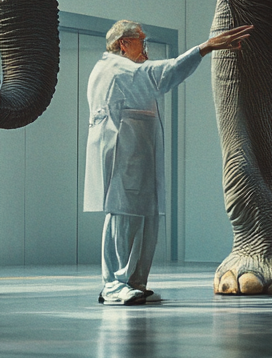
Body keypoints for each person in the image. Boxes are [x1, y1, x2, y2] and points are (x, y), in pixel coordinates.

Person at [87, 20, 253, 305]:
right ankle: (115, 284)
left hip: (139, 154)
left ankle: (135, 282)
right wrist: (204, 48)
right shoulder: (114, 68)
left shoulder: (126, 69)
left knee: (145, 218)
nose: (146, 47)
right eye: (141, 40)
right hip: (123, 155)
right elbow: (162, 73)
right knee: (125, 217)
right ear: (123, 43)